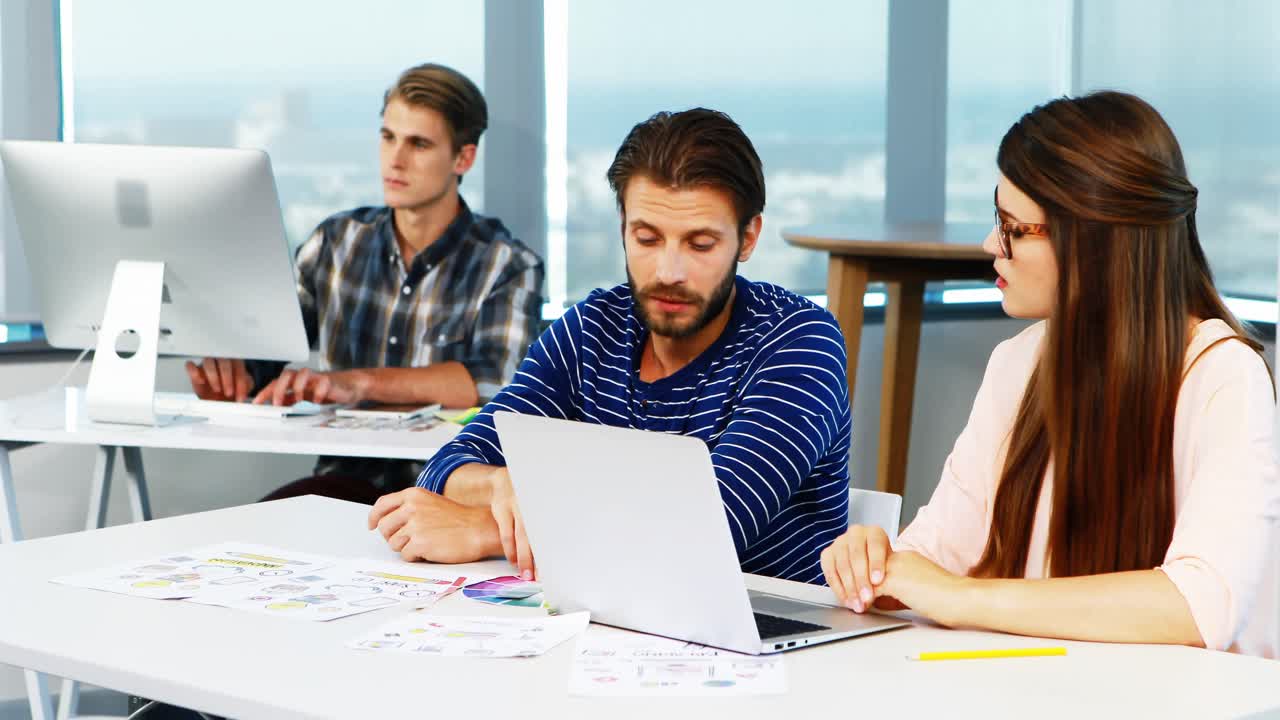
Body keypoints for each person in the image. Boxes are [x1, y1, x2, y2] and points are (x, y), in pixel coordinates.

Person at [820, 91, 1279, 657]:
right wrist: (876, 564)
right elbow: (935, 557)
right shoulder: (1017, 363)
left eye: (1012, 227)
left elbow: (1199, 605)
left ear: (1092, 240)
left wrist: (958, 597)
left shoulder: (1224, 375)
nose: (992, 244)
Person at [367, 108, 852, 583]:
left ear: (748, 238)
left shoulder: (800, 342)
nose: (668, 272)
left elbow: (707, 528)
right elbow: (446, 468)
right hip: (614, 624)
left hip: (772, 633)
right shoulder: (591, 329)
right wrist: (501, 483)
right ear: (622, 225)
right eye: (646, 238)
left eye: (700, 245)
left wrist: (489, 529)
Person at [184, 63, 545, 503]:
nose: (395, 159)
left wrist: (356, 383)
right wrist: (234, 375)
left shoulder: (508, 264)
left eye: (419, 144)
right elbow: (271, 356)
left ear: (462, 158)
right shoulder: (335, 243)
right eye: (388, 136)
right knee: (263, 524)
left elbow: (490, 382)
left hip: (447, 493)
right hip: (346, 483)